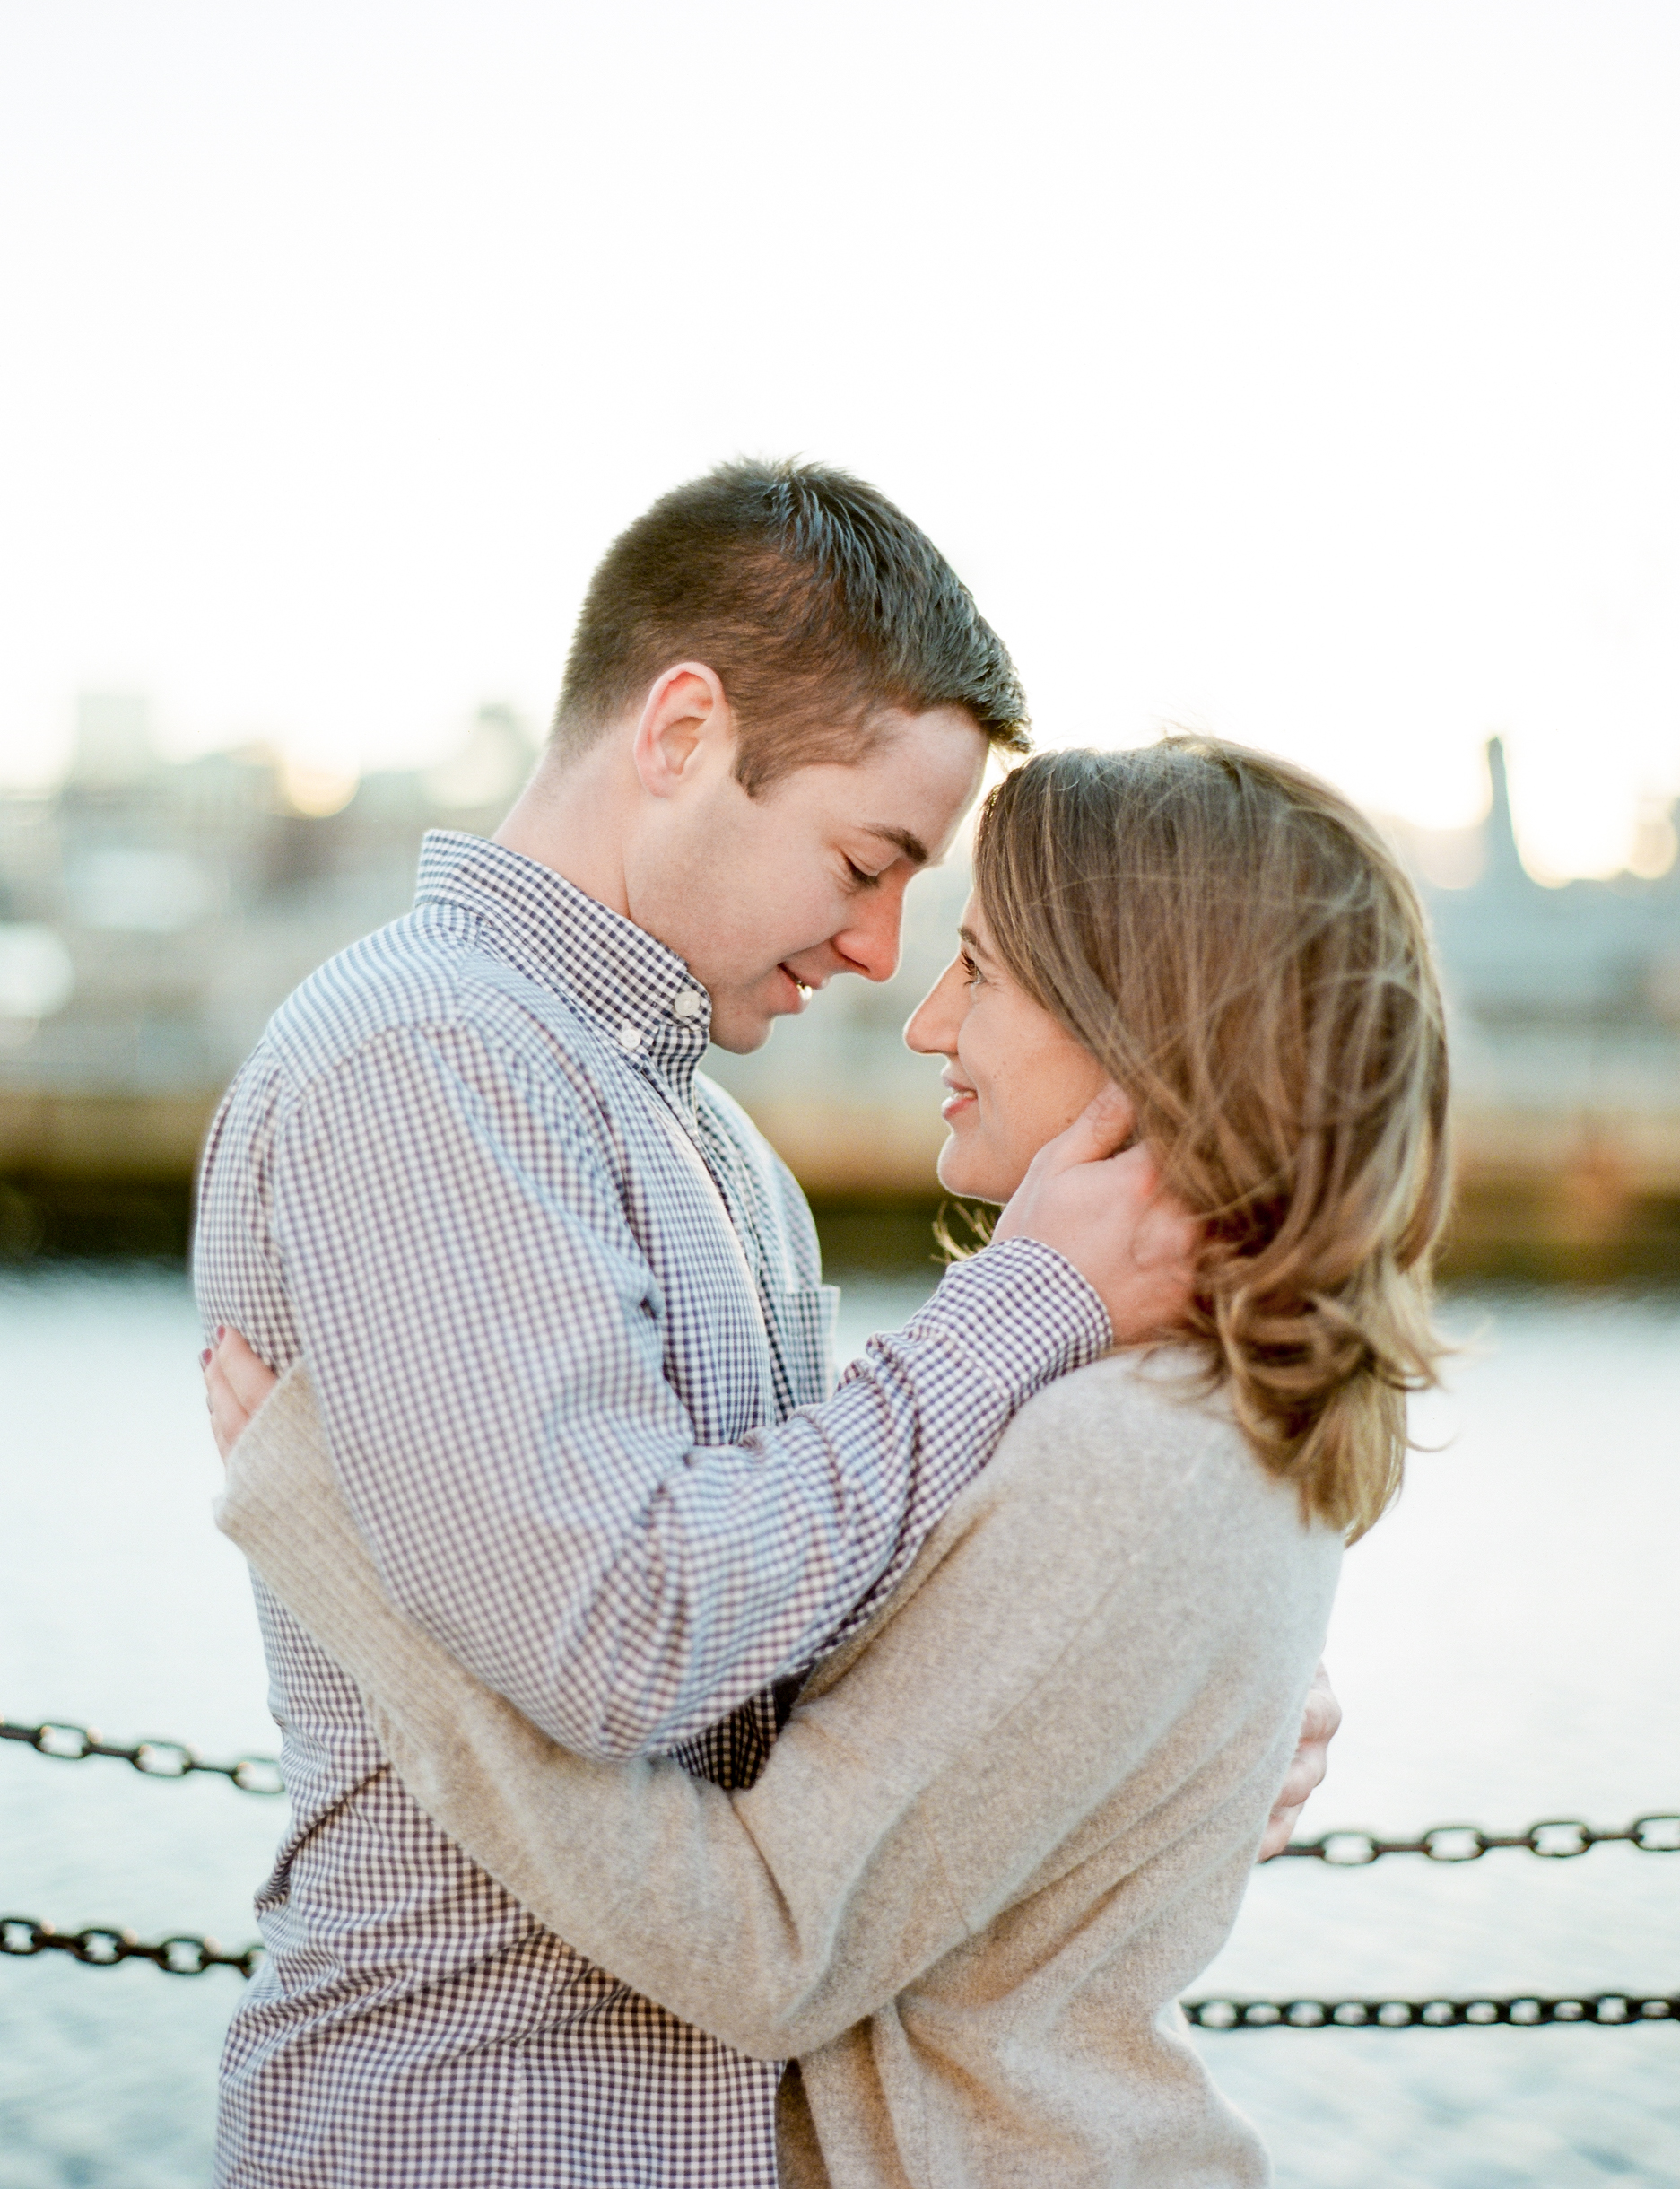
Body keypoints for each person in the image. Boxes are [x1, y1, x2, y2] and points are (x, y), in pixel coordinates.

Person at [196, 462, 1331, 2187]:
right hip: (474, 2129)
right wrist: (1016, 1311)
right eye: (865, 861)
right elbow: (628, 1642)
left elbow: (775, 1673)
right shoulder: (429, 1060)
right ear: (681, 730)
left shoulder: (713, 1145)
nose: (882, 951)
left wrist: (1152, 1682)